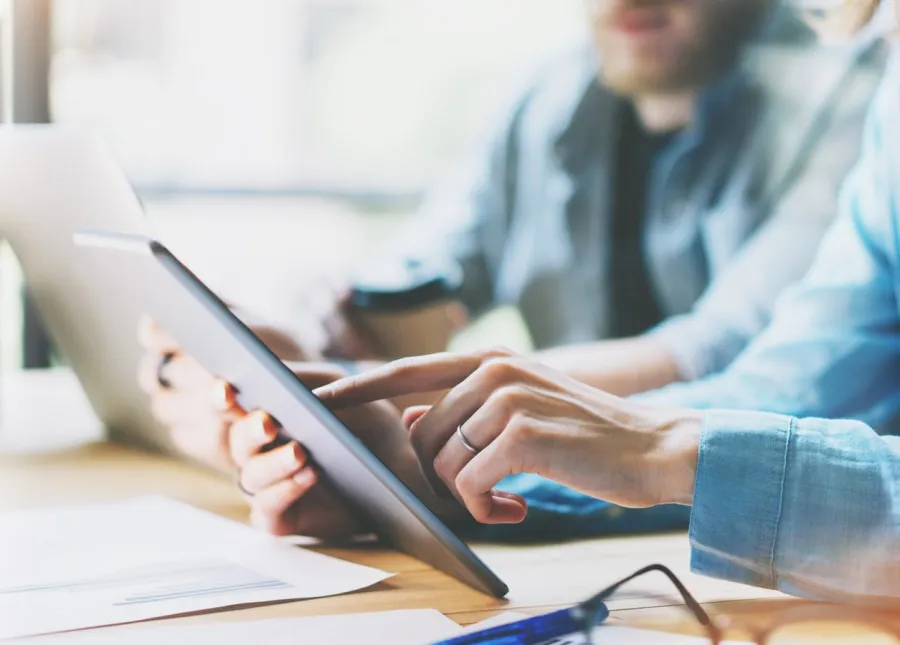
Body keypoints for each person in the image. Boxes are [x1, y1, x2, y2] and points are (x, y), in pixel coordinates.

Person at [140, 2, 885, 537]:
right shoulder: (547, 96)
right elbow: (414, 280)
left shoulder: (852, 90)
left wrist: (411, 436)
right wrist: (283, 355)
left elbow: (740, 360)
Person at [305, 9, 900, 604]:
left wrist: (658, 448)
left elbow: (716, 348)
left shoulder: (843, 81)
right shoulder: (548, 92)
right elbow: (794, 388)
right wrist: (427, 474)